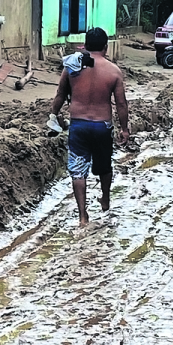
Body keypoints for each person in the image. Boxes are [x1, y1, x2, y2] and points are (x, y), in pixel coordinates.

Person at [49, 27, 130, 226]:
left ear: (85, 45)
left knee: (78, 170)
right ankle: (105, 199)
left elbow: (60, 94)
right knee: (104, 166)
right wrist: (124, 128)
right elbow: (121, 104)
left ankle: (83, 215)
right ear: (105, 47)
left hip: (78, 125)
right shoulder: (114, 71)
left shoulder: (72, 67)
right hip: (102, 126)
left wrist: (53, 115)